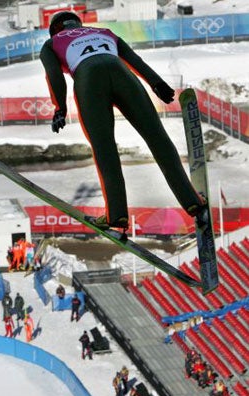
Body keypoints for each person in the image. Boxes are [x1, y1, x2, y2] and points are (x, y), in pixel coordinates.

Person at [40, 12, 207, 231]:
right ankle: (193, 202)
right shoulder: (105, 33)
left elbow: (54, 74)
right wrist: (157, 84)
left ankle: (116, 215)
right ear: (79, 24)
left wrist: (59, 108)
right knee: (157, 137)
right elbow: (135, 61)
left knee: (104, 149)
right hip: (124, 76)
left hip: (88, 81)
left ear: (54, 29)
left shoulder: (51, 43)